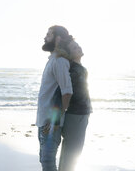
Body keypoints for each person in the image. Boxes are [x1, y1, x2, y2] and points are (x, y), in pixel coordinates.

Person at [36, 25, 74, 171]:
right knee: (44, 160)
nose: (45, 37)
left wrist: (55, 120)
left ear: (58, 39)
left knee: (48, 162)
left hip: (51, 123)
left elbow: (67, 92)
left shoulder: (59, 61)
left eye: (48, 34)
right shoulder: (53, 59)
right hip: (44, 121)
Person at [58, 40, 93, 171]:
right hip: (75, 114)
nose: (78, 47)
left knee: (71, 151)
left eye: (78, 45)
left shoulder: (80, 68)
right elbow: (64, 91)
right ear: (69, 54)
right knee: (72, 152)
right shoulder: (73, 69)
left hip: (81, 113)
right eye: (74, 48)